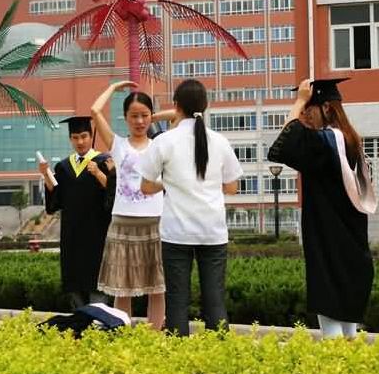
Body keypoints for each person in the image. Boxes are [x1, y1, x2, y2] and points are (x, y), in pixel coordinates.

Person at [267, 78, 377, 339]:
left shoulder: (324, 143)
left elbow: (283, 143)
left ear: (326, 107)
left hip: (326, 236)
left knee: (329, 305)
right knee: (347, 313)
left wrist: (298, 100)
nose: (304, 115)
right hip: (352, 238)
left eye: (309, 109)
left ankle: (334, 359)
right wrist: (303, 103)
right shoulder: (350, 140)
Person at [139, 79, 243, 336]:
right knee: (215, 299)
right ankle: (219, 352)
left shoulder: (164, 141)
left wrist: (169, 183)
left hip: (176, 232)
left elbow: (146, 186)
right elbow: (232, 187)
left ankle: (179, 352)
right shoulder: (219, 141)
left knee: (176, 299)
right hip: (213, 231)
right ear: (205, 106)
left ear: (176, 106)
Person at [90, 81, 176, 330]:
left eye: (144, 116)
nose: (139, 121)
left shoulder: (161, 144)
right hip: (123, 222)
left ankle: (155, 335)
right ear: (125, 117)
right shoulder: (117, 145)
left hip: (156, 222)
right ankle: (123, 334)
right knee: (122, 287)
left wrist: (152, 117)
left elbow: (181, 116)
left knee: (157, 287)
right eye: (134, 116)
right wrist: (113, 87)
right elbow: (95, 111)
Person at [39, 116, 112, 311]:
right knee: (74, 281)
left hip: (98, 235)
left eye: (84, 136)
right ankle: (79, 318)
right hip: (72, 236)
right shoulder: (63, 167)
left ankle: (99, 318)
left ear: (91, 136)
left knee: (97, 279)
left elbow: (115, 193)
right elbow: (56, 201)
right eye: (75, 137)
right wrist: (46, 174)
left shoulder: (104, 161)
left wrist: (98, 173)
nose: (80, 142)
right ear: (70, 139)